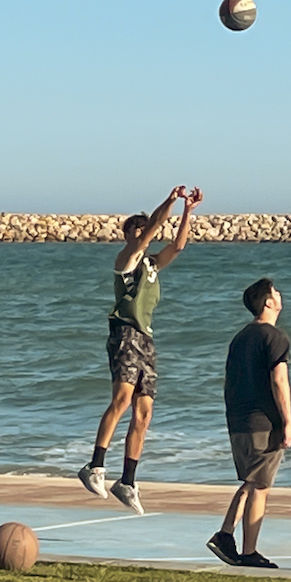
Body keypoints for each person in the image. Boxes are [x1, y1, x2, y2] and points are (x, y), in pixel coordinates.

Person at [79, 185, 202, 514]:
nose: (142, 234)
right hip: (125, 333)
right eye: (137, 230)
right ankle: (94, 465)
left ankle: (128, 481)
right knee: (121, 400)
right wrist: (171, 200)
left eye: (142, 229)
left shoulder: (151, 265)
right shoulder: (126, 261)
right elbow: (151, 234)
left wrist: (188, 210)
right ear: (128, 235)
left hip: (146, 339)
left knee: (143, 415)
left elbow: (176, 245)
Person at [208, 278, 291, 569]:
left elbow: (230, 380)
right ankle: (246, 549)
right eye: (276, 292)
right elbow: (279, 382)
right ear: (269, 302)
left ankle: (227, 535)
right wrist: (288, 423)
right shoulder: (275, 337)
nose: (280, 295)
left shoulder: (240, 337)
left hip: (238, 420)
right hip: (263, 422)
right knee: (260, 486)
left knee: (252, 480)